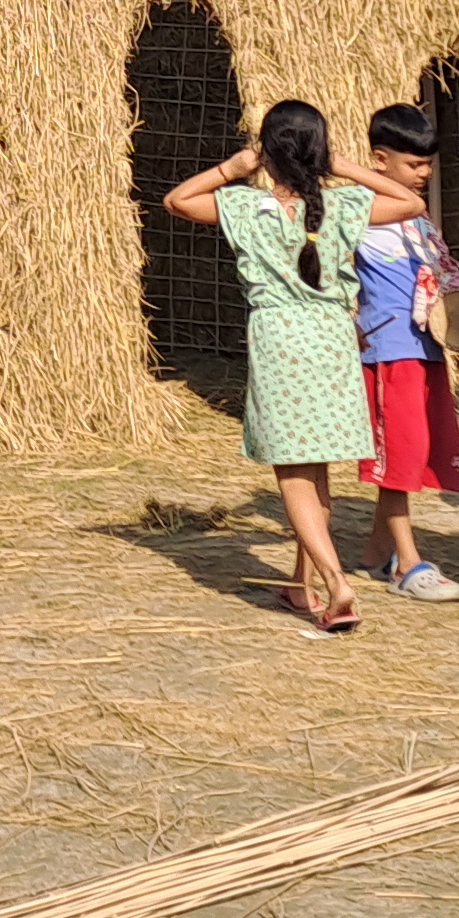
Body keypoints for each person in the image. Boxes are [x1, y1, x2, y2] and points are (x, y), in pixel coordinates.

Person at [164, 99, 373, 631]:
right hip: (332, 340)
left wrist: (232, 169)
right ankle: (302, 589)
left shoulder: (243, 206)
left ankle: (335, 582)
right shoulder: (344, 205)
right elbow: (409, 202)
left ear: (267, 152)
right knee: (318, 466)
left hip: (280, 340)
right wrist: (340, 165)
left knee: (293, 472)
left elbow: (177, 200)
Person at [348, 102, 459, 601]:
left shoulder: (415, 219)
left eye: (428, 166)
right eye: (414, 165)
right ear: (380, 159)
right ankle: (407, 563)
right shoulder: (357, 208)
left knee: (415, 449)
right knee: (400, 452)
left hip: (425, 347)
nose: (424, 175)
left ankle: (377, 553)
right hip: (388, 348)